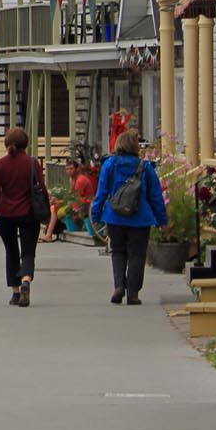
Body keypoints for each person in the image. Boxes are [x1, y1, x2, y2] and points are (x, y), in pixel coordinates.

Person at [91, 131, 167, 306]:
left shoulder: (110, 165)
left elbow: (101, 192)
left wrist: (96, 215)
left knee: (117, 252)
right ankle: (133, 293)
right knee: (137, 255)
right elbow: (155, 196)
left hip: (115, 216)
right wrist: (162, 220)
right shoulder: (145, 167)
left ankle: (119, 286)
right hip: (140, 217)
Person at [0, 126, 44, 307]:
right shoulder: (33, 163)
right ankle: (26, 279)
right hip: (29, 214)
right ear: (25, 143)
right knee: (28, 251)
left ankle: (15, 293)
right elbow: (41, 187)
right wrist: (46, 212)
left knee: (11, 252)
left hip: (6, 214)